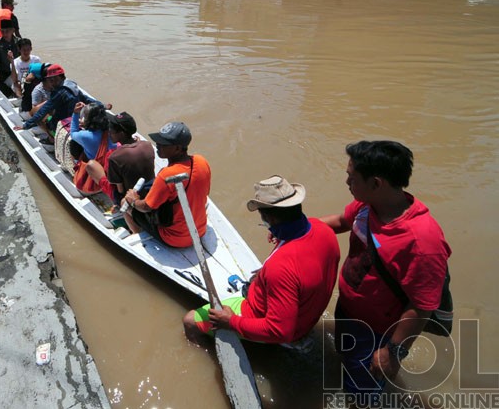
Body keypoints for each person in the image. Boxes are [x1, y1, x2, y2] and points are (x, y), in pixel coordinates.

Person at [321, 141, 451, 396]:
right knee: (345, 359)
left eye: (352, 178)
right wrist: (297, 230)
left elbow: (422, 306)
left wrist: (393, 351)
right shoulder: (367, 205)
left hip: (378, 331)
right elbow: (340, 222)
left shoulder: (422, 241)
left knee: (364, 390)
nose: (347, 183)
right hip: (349, 310)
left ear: (377, 183)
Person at [183, 175, 340, 347]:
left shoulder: (280, 268)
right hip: (306, 318)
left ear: (271, 219)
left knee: (190, 320)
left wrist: (230, 321)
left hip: (271, 323)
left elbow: (280, 331)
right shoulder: (324, 231)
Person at [121, 122, 211, 248]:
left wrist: (134, 200)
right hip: (200, 230)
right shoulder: (201, 161)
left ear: (178, 148)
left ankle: (140, 234)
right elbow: (205, 192)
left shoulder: (166, 175)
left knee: (125, 203)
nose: (158, 145)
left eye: (164, 144)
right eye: (158, 141)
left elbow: (146, 207)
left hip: (175, 238)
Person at [84, 112, 154, 206]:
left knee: (91, 165)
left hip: (125, 197)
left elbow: (120, 190)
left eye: (111, 129)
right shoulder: (147, 145)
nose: (109, 132)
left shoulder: (115, 157)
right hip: (149, 190)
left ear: (121, 133)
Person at [15, 64, 100, 134]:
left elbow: (44, 110)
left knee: (38, 115)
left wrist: (26, 125)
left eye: (53, 80)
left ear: (60, 78)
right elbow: (88, 99)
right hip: (74, 120)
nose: (52, 83)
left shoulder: (60, 92)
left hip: (62, 124)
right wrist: (103, 105)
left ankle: (51, 138)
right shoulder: (71, 85)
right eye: (50, 80)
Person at [68, 102, 117, 194]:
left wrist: (75, 113)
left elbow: (73, 133)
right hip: (106, 178)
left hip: (88, 184)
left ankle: (75, 167)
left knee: (73, 143)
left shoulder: (85, 136)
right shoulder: (112, 133)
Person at [13, 38, 41, 102]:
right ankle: (21, 98)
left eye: (28, 49)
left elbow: (38, 75)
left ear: (31, 49)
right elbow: (16, 80)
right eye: (24, 50)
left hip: (33, 83)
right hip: (20, 85)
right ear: (19, 50)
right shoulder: (15, 62)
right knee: (17, 83)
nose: (26, 52)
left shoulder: (36, 60)